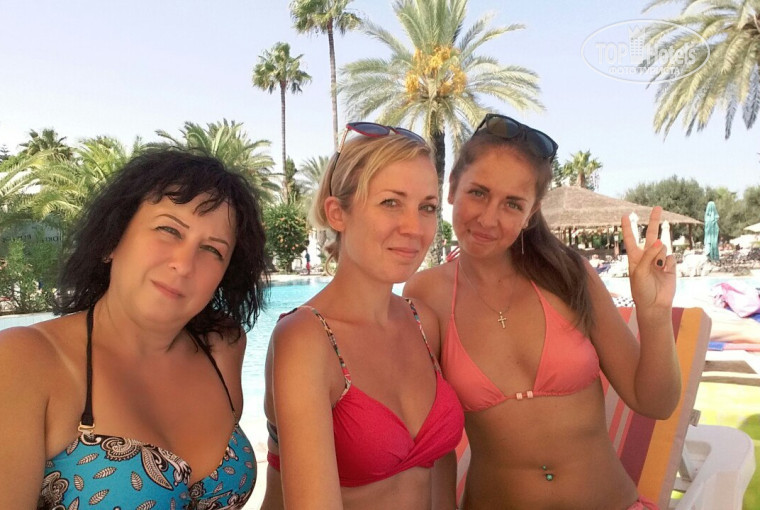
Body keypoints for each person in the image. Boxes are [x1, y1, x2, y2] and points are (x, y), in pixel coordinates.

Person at [404, 113, 680, 510]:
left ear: (531, 213)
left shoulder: (568, 275)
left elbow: (655, 402)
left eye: (512, 204)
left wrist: (654, 314)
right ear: (451, 189)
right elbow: (432, 439)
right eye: (478, 193)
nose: (488, 218)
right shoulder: (425, 294)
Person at [0, 149, 267, 509]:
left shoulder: (223, 348)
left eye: (212, 250)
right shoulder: (23, 360)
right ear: (112, 239)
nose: (184, 264)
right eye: (169, 230)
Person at [261, 123, 464, 510]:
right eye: (391, 203)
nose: (414, 228)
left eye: (427, 207)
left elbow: (440, 473)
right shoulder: (306, 338)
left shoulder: (422, 322)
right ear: (337, 213)